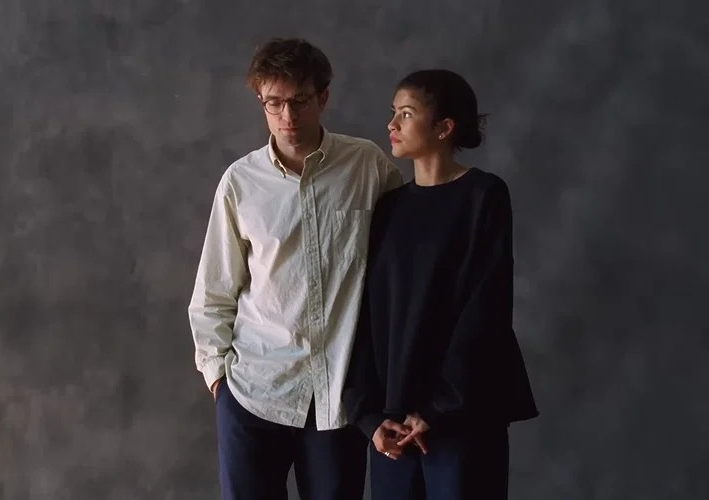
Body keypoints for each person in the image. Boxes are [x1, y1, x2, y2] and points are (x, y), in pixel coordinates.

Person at [188, 38, 403, 500]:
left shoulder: (367, 166)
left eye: (300, 101)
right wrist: (218, 378)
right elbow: (214, 290)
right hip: (253, 390)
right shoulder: (240, 182)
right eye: (275, 102)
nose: (288, 116)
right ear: (261, 101)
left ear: (323, 98)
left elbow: (399, 270)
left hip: (338, 398)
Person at [342, 69, 539, 500]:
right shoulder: (388, 208)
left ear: (444, 127)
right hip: (393, 423)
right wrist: (369, 415)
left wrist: (438, 408)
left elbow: (486, 308)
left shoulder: (483, 196)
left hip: (462, 415)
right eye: (393, 113)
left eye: (406, 114)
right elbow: (368, 314)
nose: (391, 125)